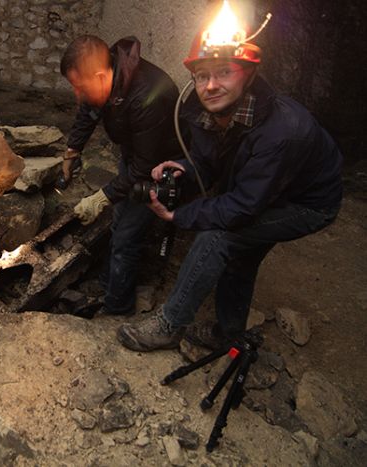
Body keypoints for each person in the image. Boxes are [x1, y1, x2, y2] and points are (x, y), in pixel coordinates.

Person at [117, 25, 343, 351]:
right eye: (201, 75)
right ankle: (229, 332)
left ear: (249, 73)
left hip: (306, 203)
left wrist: (177, 214)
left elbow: (243, 207)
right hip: (264, 188)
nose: (210, 85)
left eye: (224, 72)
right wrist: (185, 166)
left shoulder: (283, 130)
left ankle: (169, 325)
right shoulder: (205, 110)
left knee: (220, 234)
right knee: (243, 253)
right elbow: (210, 160)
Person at [59, 35, 180, 315]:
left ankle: (117, 308)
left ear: (101, 76)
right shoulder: (105, 79)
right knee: (118, 223)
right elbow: (87, 111)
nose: (77, 95)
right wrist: (72, 151)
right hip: (135, 154)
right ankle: (107, 284)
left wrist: (101, 197)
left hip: (160, 166)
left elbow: (143, 169)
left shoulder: (147, 96)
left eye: (79, 87)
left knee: (127, 237)